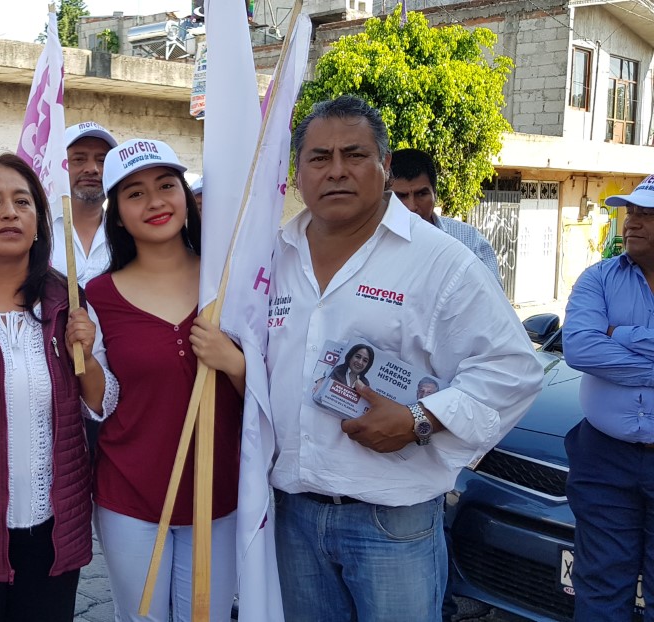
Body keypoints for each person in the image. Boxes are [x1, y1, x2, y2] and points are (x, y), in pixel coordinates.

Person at [267, 96, 542, 621]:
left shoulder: (440, 262)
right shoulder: (274, 254)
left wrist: (419, 418)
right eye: (319, 157)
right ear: (298, 171)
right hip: (292, 515)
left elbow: (513, 369)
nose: (337, 171)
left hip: (391, 520)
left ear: (385, 166)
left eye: (355, 154)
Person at [0, 152, 119, 622]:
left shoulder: (67, 303)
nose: (10, 212)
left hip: (55, 538)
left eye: (23, 202)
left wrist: (87, 356)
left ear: (39, 223)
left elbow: (102, 402)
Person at [86, 138, 245, 622]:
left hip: (219, 495)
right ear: (117, 214)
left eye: (166, 185)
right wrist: (85, 360)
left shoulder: (229, 282)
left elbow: (270, 393)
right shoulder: (96, 295)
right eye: (134, 193)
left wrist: (234, 363)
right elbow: (99, 402)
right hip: (129, 495)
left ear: (185, 194)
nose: (155, 201)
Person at [560, 174, 654, 621]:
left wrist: (621, 335)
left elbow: (602, 348)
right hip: (603, 460)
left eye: (648, 214)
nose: (632, 222)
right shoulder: (598, 278)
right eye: (631, 211)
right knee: (600, 589)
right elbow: (580, 348)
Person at [389, 149, 500, 284]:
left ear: (435, 194)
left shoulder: (470, 241)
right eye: (401, 196)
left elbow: (492, 300)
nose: (411, 207)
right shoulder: (371, 242)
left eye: (421, 194)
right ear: (385, 197)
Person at [52, 121, 117, 285]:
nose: (92, 168)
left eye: (102, 160)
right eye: (79, 159)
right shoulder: (37, 228)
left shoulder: (129, 230)